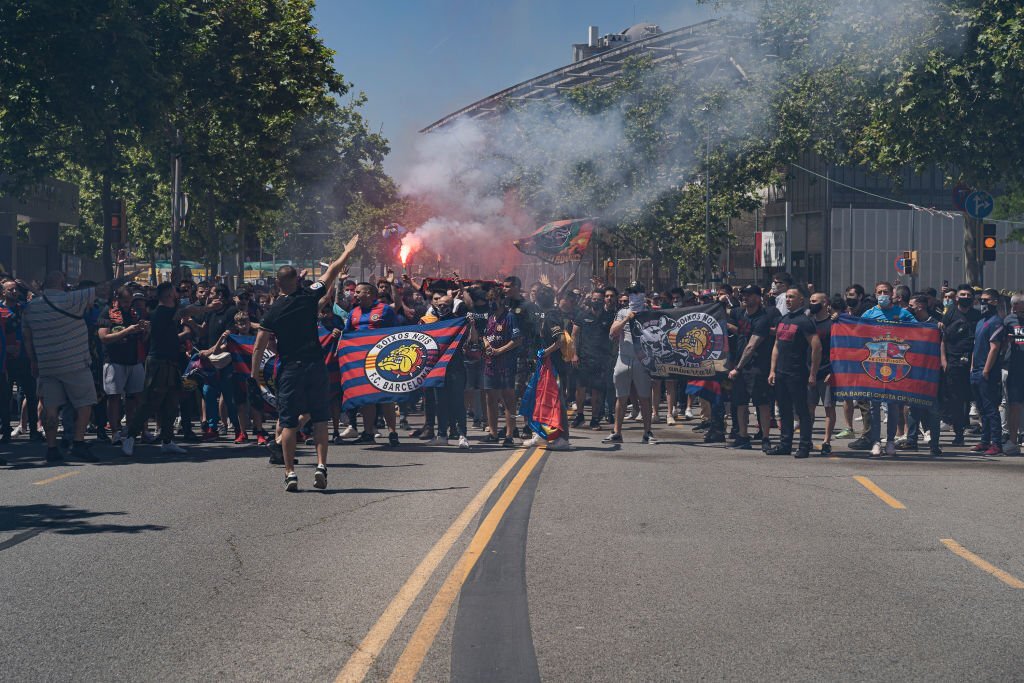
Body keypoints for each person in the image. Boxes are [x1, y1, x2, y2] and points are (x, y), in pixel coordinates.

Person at [253, 234, 358, 492]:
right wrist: (347, 252)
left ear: (278, 282)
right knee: (320, 418)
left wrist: (255, 374)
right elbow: (332, 272)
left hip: (290, 368)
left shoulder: (274, 310)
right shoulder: (309, 296)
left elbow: (259, 344)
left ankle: (290, 472)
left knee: (288, 422)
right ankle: (321, 466)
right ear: (297, 280)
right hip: (315, 366)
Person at [23, 270, 124, 463]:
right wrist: (130, 273)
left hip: (47, 364)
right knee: (84, 403)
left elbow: (28, 339)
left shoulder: (31, 307)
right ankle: (78, 442)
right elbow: (105, 288)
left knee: (50, 407)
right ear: (61, 283)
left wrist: (34, 362)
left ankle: (51, 448)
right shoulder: (72, 298)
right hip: (75, 363)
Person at [120, 282, 216, 456]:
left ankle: (167, 440)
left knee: (171, 402)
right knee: (150, 401)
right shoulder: (161, 312)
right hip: (158, 362)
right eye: (174, 291)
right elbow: (186, 312)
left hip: (171, 362)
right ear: (169, 295)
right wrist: (208, 308)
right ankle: (130, 437)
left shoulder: (167, 312)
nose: (178, 294)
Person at [860, 281, 916, 456]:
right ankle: (876, 441)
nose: (882, 295)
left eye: (886, 292)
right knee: (874, 405)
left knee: (893, 405)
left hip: (896, 364)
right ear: (875, 294)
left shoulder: (902, 313)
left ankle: (890, 440)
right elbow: (855, 331)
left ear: (892, 294)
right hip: (874, 364)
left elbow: (919, 330)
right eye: (879, 292)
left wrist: (934, 326)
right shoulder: (869, 313)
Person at [344, 279, 401, 446]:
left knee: (386, 397)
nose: (355, 294)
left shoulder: (385, 310)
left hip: (382, 360)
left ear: (368, 294)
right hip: (360, 362)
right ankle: (368, 431)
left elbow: (396, 333)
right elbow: (347, 334)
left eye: (358, 292)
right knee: (366, 398)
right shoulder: (353, 312)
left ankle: (392, 432)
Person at [767, 287, 821, 458]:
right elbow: (776, 345)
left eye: (792, 297)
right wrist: (772, 370)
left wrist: (813, 372)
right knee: (784, 410)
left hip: (797, 373)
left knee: (801, 411)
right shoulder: (783, 319)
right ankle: (785, 444)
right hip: (781, 373)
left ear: (801, 300)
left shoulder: (804, 321)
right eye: (787, 297)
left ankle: (804, 446)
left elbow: (816, 347)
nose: (788, 300)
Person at [603, 283, 656, 444]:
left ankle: (648, 432)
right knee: (621, 397)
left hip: (643, 360)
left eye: (637, 293)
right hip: (624, 358)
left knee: (644, 397)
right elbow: (612, 332)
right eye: (631, 293)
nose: (633, 296)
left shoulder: (650, 313)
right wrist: (627, 318)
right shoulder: (622, 312)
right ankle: (617, 432)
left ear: (643, 294)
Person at [726, 285, 776, 452]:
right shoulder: (742, 314)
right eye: (743, 295)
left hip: (756, 367)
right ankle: (743, 436)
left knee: (761, 403)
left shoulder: (762, 319)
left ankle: (765, 438)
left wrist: (738, 368)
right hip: (740, 367)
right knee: (740, 403)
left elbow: (751, 346)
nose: (745, 298)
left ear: (758, 298)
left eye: (749, 295)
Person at [97, 286, 148, 444]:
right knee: (114, 397)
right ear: (117, 299)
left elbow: (143, 340)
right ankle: (115, 432)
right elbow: (103, 337)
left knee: (137, 396)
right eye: (124, 301)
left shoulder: (134, 313)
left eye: (129, 301)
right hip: (114, 361)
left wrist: (145, 330)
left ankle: (138, 429)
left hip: (134, 359)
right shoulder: (107, 312)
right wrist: (127, 331)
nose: (127, 304)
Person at [940, 284, 980, 446]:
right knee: (956, 401)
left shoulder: (977, 316)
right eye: (962, 294)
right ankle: (959, 433)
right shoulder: (949, 314)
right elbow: (943, 340)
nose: (965, 297)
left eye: (968, 295)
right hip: (953, 363)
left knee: (972, 400)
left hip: (973, 363)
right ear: (957, 297)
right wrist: (944, 363)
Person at [903, 294, 943, 455]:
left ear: (920, 306)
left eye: (911, 305)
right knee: (913, 408)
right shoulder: (908, 324)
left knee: (933, 409)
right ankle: (912, 441)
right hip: (912, 372)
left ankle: (934, 444)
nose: (909, 308)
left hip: (930, 372)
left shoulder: (935, 325)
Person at [482, 287, 522, 447]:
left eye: (494, 299)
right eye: (490, 300)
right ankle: (492, 433)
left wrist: (499, 350)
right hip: (489, 365)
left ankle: (509, 435)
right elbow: (485, 334)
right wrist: (486, 344)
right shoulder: (490, 317)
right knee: (490, 399)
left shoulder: (510, 317)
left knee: (508, 400)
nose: (492, 303)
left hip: (506, 365)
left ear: (501, 300)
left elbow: (517, 339)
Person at [570, 289, 615, 430]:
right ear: (591, 300)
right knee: (580, 389)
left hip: (601, 359)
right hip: (583, 358)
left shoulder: (610, 317)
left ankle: (595, 420)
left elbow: (614, 338)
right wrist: (574, 354)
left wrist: (611, 356)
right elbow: (573, 336)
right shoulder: (582, 315)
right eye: (594, 299)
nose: (596, 301)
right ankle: (580, 416)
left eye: (599, 299)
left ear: (604, 301)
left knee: (597, 391)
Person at [969, 288, 1006, 455]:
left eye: (987, 300)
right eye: (981, 300)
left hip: (987, 372)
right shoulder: (980, 321)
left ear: (995, 302)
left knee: (991, 409)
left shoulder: (996, 322)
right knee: (981, 409)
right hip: (975, 370)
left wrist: (985, 370)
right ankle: (984, 441)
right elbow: (975, 346)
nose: (983, 303)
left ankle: (996, 444)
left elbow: (995, 348)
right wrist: (972, 367)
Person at [807, 292, 837, 455]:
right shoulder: (809, 322)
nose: (811, 304)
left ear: (825, 303)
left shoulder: (833, 324)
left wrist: (833, 371)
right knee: (809, 408)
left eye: (814, 301)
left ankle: (826, 441)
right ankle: (808, 439)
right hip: (809, 370)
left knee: (828, 408)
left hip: (826, 371)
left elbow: (837, 350)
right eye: (810, 301)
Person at [1003, 293, 1024, 456]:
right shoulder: (1008, 320)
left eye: (1018, 303)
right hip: (1014, 367)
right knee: (1013, 404)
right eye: (1014, 303)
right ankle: (1012, 440)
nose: (1015, 306)